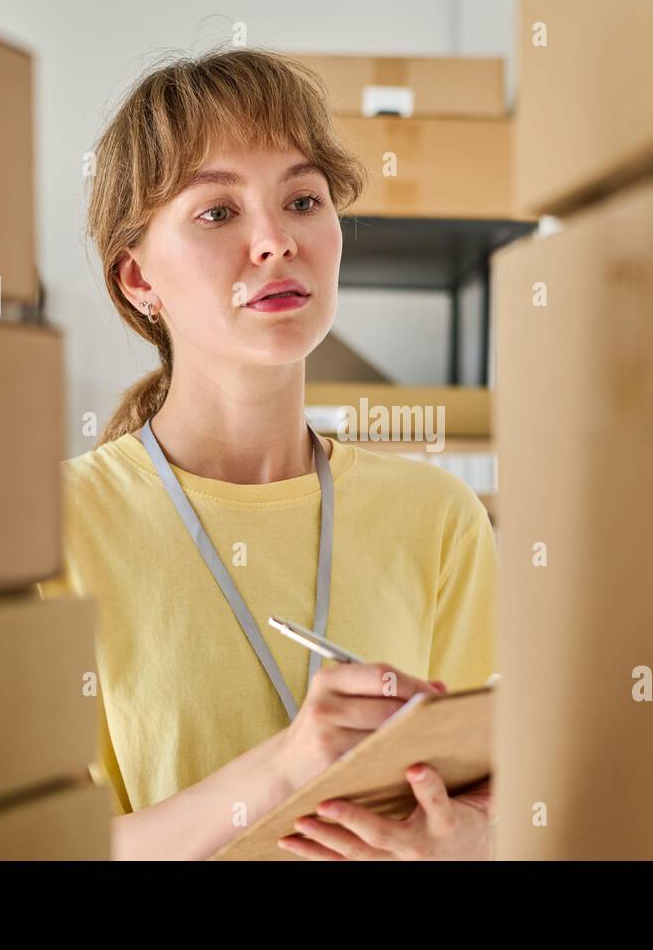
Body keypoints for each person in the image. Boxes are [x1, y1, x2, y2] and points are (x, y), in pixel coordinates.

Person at [37, 47, 496, 860]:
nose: (277, 241)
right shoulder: (51, 530)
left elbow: (498, 786)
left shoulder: (438, 518)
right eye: (218, 212)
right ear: (139, 277)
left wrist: (468, 842)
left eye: (303, 198)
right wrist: (285, 768)